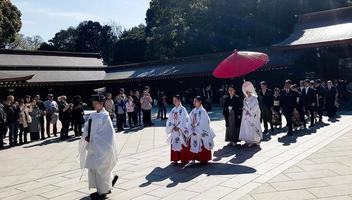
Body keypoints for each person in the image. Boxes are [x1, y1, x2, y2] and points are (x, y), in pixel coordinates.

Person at [79, 94, 118, 200]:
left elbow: (108, 134)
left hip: (102, 148)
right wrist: (86, 135)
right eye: (93, 103)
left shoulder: (105, 116)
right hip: (93, 147)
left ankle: (102, 192)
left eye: (96, 103)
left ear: (102, 104)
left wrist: (93, 138)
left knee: (102, 168)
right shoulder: (92, 115)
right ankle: (107, 185)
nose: (95, 105)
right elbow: (87, 126)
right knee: (95, 169)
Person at [187, 96, 215, 165]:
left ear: (200, 102)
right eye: (194, 101)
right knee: (193, 144)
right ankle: (193, 159)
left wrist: (196, 130)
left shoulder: (202, 111)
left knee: (201, 143)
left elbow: (204, 123)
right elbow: (189, 120)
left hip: (199, 132)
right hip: (193, 131)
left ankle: (203, 159)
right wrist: (191, 129)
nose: (194, 103)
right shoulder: (193, 111)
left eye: (196, 101)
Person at [166, 94, 190, 164]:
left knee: (182, 143)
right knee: (175, 144)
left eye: (176, 100)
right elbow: (169, 120)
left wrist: (179, 126)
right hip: (174, 130)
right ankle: (175, 159)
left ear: (179, 101)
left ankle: (184, 159)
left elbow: (185, 119)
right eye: (173, 100)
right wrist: (172, 127)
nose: (174, 102)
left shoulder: (183, 109)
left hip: (181, 130)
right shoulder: (173, 110)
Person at [239, 81, 262, 147]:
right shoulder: (245, 99)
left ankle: (253, 140)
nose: (247, 92)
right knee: (246, 128)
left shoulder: (255, 98)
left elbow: (256, 107)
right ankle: (247, 140)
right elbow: (244, 106)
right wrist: (244, 109)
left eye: (248, 91)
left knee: (252, 127)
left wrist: (250, 111)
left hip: (252, 115)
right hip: (246, 115)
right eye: (246, 91)